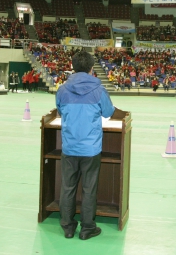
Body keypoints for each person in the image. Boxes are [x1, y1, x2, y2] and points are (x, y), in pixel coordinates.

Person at [56, 51, 115, 240]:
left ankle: (67, 226)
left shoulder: (63, 90)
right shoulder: (99, 90)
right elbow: (108, 112)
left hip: (70, 147)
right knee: (89, 188)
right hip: (91, 149)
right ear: (91, 68)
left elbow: (59, 110)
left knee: (68, 187)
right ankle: (87, 228)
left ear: (73, 67)